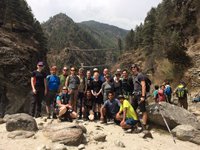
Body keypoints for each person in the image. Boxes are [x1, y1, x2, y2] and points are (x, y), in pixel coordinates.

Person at [131, 64, 148, 130]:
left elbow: (143, 85)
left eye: (134, 67)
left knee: (143, 110)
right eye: (132, 67)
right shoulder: (134, 76)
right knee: (132, 109)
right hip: (135, 95)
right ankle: (138, 122)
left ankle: (144, 125)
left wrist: (143, 96)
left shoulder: (140, 75)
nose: (133, 68)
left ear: (137, 68)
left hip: (140, 95)